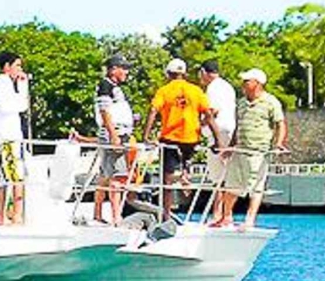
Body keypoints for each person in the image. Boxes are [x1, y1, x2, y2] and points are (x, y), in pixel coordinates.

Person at [212, 68, 288, 229]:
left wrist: (279, 143)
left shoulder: (271, 102)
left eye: (247, 81)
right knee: (231, 184)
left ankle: (249, 220)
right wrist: (230, 147)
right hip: (240, 149)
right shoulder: (241, 103)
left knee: (256, 186)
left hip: (257, 151)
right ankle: (226, 217)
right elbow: (238, 127)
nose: (243, 84)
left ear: (257, 84)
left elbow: (280, 124)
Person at [143, 58, 217, 221]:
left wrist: (146, 135)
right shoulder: (196, 90)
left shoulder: (164, 91)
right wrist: (218, 141)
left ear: (168, 74)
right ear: (184, 73)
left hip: (170, 139)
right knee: (185, 163)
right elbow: (209, 115)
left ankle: (166, 215)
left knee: (166, 181)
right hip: (191, 139)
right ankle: (184, 174)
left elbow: (153, 111)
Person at [93, 54, 135, 225]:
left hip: (118, 133)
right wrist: (114, 135)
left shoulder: (114, 87)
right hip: (114, 134)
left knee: (105, 175)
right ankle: (117, 217)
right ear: (113, 69)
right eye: (123, 68)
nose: (126, 72)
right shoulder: (106, 86)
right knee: (118, 176)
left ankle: (97, 212)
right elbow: (104, 111)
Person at [0, 50, 30, 225]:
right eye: (17, 65)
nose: (20, 69)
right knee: (16, 176)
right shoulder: (3, 82)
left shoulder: (4, 83)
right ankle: (16, 215)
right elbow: (19, 105)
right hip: (8, 136)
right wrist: (23, 86)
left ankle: (3, 215)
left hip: (6, 134)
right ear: (7, 67)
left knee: (5, 176)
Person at [198, 59, 237, 185]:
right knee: (226, 176)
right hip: (229, 132)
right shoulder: (228, 86)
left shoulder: (212, 87)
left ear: (203, 72)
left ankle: (218, 205)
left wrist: (199, 125)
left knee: (217, 179)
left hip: (217, 135)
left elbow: (213, 111)